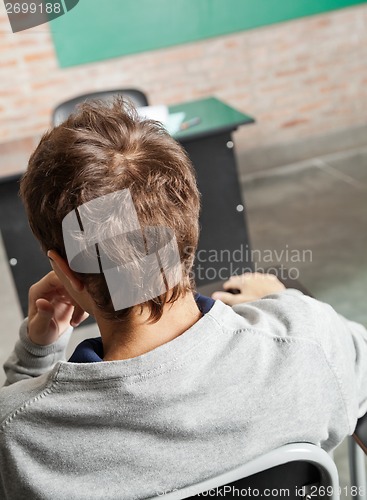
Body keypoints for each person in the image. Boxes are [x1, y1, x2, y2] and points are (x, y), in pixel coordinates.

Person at [1, 98, 367, 500]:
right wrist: (285, 302)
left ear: (64, 270)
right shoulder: (311, 340)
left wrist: (37, 352)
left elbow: (20, 432)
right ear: (189, 224)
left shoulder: (17, 435)